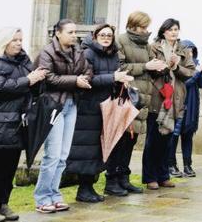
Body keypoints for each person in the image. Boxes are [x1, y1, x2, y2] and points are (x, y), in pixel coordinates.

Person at [0, 27, 43, 222]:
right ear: (3, 42)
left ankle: (3, 203)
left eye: (21, 40)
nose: (19, 44)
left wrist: (37, 80)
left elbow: (32, 87)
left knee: (8, 169)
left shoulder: (23, 63)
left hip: (16, 125)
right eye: (15, 40)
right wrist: (28, 80)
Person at [68, 24, 133, 203]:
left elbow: (114, 75)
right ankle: (84, 188)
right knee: (87, 150)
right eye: (102, 35)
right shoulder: (88, 53)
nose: (106, 38)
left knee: (99, 149)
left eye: (109, 36)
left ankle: (90, 187)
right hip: (89, 108)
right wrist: (113, 78)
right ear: (95, 36)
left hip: (106, 107)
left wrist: (121, 82)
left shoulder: (112, 54)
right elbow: (88, 80)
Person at [33, 19, 92, 214]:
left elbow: (88, 70)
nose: (74, 35)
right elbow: (48, 77)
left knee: (63, 155)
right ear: (58, 33)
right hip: (53, 105)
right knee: (53, 154)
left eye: (75, 32)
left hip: (71, 104)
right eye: (70, 32)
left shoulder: (78, 52)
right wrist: (76, 80)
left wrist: (83, 79)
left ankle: (55, 194)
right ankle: (42, 197)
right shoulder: (47, 52)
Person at [142, 18, 196, 189]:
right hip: (158, 98)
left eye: (176, 29)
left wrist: (176, 67)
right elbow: (149, 70)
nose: (174, 32)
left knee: (168, 141)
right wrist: (166, 66)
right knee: (153, 140)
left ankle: (163, 175)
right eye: (171, 29)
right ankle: (150, 177)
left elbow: (190, 72)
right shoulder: (153, 47)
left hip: (175, 100)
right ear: (163, 31)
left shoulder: (183, 50)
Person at [110, 11, 154, 195]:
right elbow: (119, 67)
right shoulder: (120, 40)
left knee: (131, 140)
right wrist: (145, 67)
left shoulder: (146, 45)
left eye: (147, 27)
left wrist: (159, 67)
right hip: (126, 96)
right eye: (143, 27)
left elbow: (151, 65)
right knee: (119, 141)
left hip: (142, 98)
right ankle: (111, 181)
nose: (146, 30)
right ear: (133, 25)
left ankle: (124, 178)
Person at [169, 39, 202, 178]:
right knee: (173, 137)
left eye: (192, 51)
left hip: (192, 105)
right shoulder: (179, 66)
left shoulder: (195, 65)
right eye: (188, 51)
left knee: (188, 136)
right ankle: (171, 164)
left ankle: (187, 165)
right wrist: (197, 73)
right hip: (179, 103)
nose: (190, 53)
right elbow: (186, 84)